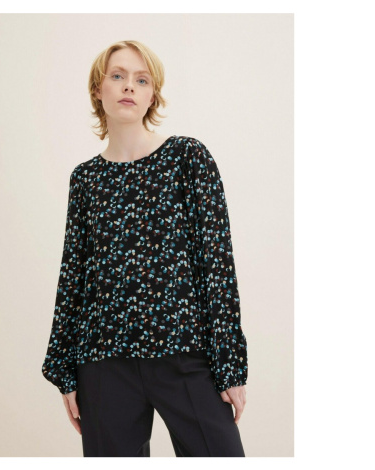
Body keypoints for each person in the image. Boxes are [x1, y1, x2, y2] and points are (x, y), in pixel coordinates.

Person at [41, 40, 248, 457]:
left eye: (141, 80)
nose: (128, 87)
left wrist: (229, 364)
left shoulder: (187, 157)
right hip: (103, 362)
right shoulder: (85, 179)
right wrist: (65, 370)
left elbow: (217, 263)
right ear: (98, 89)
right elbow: (73, 275)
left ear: (153, 95)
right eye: (117, 76)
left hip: (184, 353)